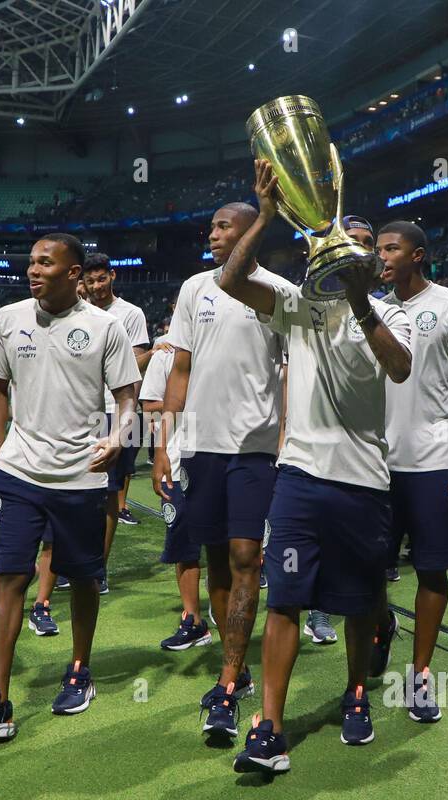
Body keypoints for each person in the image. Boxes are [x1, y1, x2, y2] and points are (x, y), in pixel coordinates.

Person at [217, 159, 411, 773]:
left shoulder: (391, 312)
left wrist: (359, 302)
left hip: (363, 481)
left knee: (359, 600)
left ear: (375, 265)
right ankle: (270, 726)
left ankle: (356, 693)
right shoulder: (298, 307)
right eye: (335, 245)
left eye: (356, 247)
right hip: (298, 477)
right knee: (286, 600)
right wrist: (268, 213)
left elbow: (400, 367)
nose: (344, 254)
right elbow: (230, 279)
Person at [0, 233, 140, 739]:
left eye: (45, 263)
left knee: (82, 577)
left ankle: (80, 667)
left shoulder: (106, 328)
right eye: (31, 262)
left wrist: (118, 439)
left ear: (73, 273)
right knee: (10, 576)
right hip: (17, 475)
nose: (33, 270)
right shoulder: (9, 319)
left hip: (80, 477)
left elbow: (127, 400)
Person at [152, 197, 295, 740]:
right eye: (210, 225)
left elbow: (290, 372)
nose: (211, 233)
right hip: (200, 446)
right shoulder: (194, 288)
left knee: (245, 555)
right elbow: (180, 367)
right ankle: (234, 658)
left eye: (222, 226)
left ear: (251, 232)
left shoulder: (279, 293)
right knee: (215, 555)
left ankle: (231, 678)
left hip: (256, 448)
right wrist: (164, 442)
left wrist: (285, 437)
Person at [370, 220, 448, 725]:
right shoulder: (370, 308)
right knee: (368, 570)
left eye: (391, 249)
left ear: (417, 255)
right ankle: (381, 627)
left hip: (436, 457)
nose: (381, 257)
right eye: (377, 249)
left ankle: (419, 675)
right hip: (373, 458)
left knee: (432, 568)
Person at [81, 252, 152, 589]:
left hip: (116, 411)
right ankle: (78, 564)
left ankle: (99, 568)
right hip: (82, 410)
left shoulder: (130, 314)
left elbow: (138, 364)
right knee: (79, 490)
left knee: (108, 493)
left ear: (112, 277)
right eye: (90, 280)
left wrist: (108, 368)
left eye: (101, 278)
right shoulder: (76, 311)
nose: (96, 286)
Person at [140, 332, 210, 651]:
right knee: (182, 536)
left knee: (229, 540)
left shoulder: (218, 340)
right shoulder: (165, 352)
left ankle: (224, 606)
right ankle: (193, 618)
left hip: (219, 451)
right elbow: (149, 404)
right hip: (178, 455)